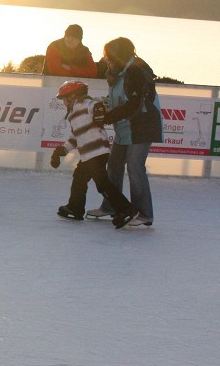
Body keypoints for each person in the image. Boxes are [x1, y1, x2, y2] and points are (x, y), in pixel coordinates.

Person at [87, 36, 162, 227]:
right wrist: (103, 104)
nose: (106, 59)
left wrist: (107, 118)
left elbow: (133, 104)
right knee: (114, 166)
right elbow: (118, 99)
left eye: (109, 55)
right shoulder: (117, 72)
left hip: (142, 127)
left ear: (119, 54)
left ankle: (144, 213)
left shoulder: (136, 71)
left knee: (135, 168)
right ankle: (111, 206)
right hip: (125, 127)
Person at [49, 80, 138, 229]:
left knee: (102, 183)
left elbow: (96, 104)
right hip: (88, 155)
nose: (63, 102)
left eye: (65, 98)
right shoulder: (73, 115)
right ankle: (75, 208)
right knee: (79, 178)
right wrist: (61, 151)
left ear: (74, 96)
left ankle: (126, 210)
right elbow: (75, 138)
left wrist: (99, 110)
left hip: (97, 152)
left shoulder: (84, 104)